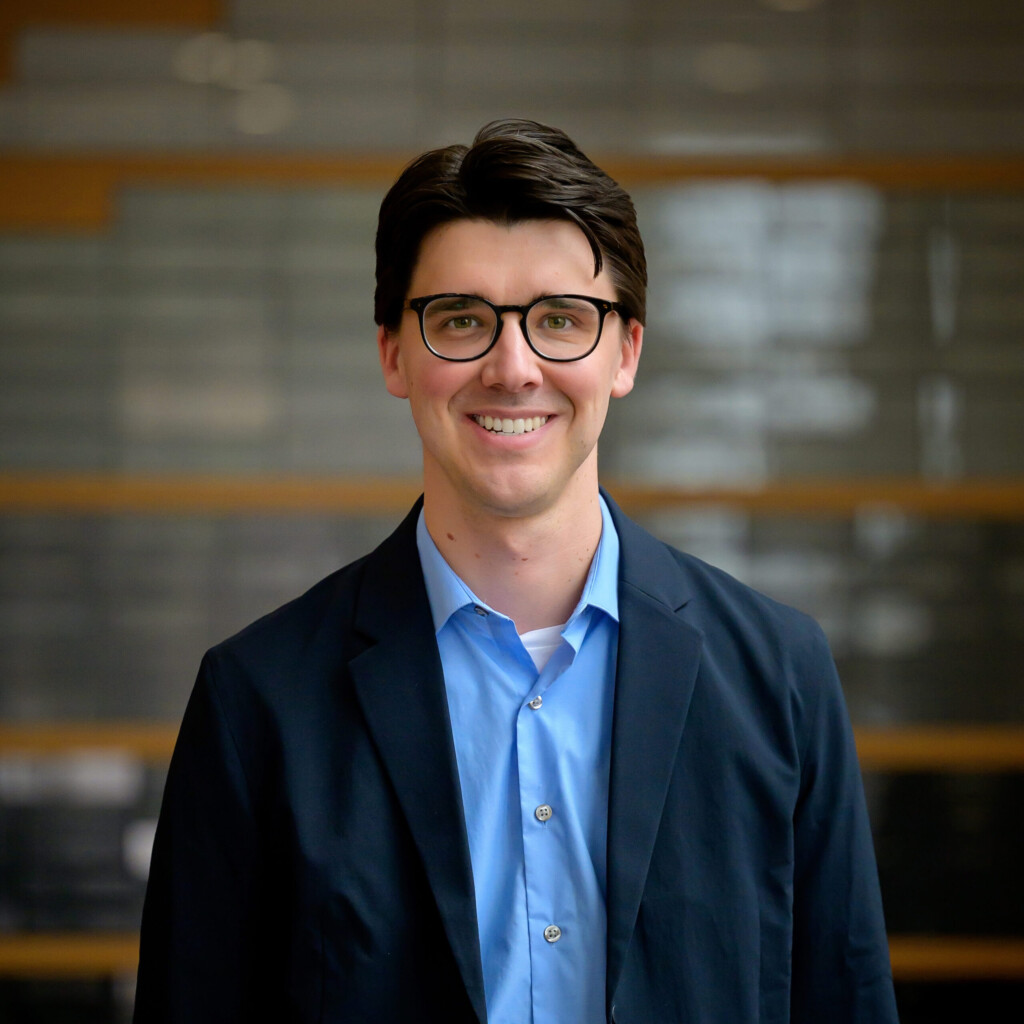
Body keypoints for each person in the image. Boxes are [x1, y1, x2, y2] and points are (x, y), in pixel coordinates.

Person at [134, 119, 899, 1024]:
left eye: (562, 321)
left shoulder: (780, 676)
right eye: (461, 319)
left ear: (626, 353)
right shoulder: (256, 701)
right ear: (392, 353)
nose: (513, 367)